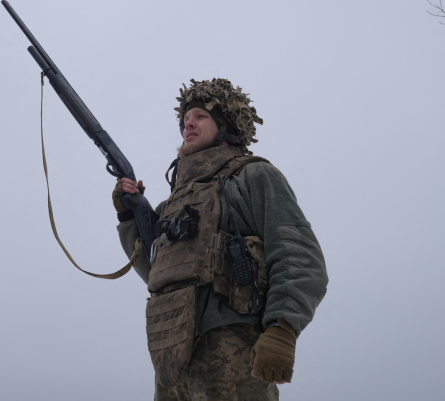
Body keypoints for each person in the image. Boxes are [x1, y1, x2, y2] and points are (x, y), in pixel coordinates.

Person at [113, 78, 328, 401]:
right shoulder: (174, 202)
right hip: (172, 356)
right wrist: (129, 217)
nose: (188, 122)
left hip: (234, 347)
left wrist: (282, 328)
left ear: (225, 125)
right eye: (186, 118)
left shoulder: (252, 177)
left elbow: (299, 256)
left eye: (200, 115)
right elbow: (156, 273)